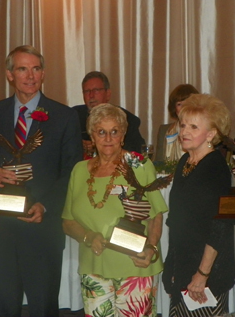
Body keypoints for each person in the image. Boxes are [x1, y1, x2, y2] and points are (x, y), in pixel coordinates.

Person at [0, 45, 82, 316]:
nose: (30, 76)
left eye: (35, 69)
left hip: (42, 230)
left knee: (44, 307)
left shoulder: (64, 116)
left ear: (43, 73)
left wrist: (45, 206)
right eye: (22, 68)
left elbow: (72, 172)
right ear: (10, 74)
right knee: (3, 306)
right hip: (1, 231)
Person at [62, 103, 167, 317]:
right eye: (101, 132)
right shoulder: (79, 170)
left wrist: (152, 248)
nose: (108, 138)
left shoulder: (139, 165)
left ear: (123, 134)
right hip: (94, 269)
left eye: (114, 132)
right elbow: (68, 222)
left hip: (134, 266)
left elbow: (156, 214)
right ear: (92, 136)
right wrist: (88, 236)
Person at [162, 94, 235, 316]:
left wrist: (202, 274)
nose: (184, 132)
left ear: (211, 134)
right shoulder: (186, 162)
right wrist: (172, 266)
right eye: (183, 125)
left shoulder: (215, 167)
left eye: (194, 127)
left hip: (207, 274)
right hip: (183, 268)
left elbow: (219, 227)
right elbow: (177, 221)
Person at [73, 71, 145, 155]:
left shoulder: (127, 119)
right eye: (87, 91)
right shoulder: (73, 116)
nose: (91, 95)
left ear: (108, 94)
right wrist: (78, 145)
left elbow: (136, 154)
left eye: (96, 90)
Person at [154, 84, 199, 162]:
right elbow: (158, 163)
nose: (184, 108)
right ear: (174, 108)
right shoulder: (164, 130)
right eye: (179, 104)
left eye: (188, 103)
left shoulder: (202, 130)